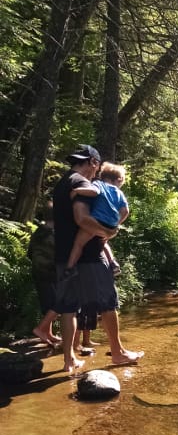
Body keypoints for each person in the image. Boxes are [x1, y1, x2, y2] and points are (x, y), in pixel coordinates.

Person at [52, 144, 144, 373]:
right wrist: (108, 232)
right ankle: (118, 353)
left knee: (68, 307)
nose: (96, 173)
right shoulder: (82, 183)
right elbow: (82, 219)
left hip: (64, 254)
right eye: (96, 167)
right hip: (90, 257)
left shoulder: (63, 183)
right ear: (93, 162)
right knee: (108, 303)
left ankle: (69, 360)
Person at [66, 162, 128, 277]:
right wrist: (116, 224)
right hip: (110, 225)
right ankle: (113, 263)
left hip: (96, 221)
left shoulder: (99, 184)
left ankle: (70, 267)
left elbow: (93, 192)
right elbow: (125, 211)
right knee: (103, 242)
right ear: (118, 180)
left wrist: (76, 191)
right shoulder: (120, 193)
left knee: (79, 243)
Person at [27, 202, 62, 346]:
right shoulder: (54, 234)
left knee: (48, 304)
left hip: (38, 271)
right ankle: (41, 329)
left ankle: (48, 333)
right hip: (50, 272)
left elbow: (29, 253)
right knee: (59, 303)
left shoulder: (38, 232)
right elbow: (60, 255)